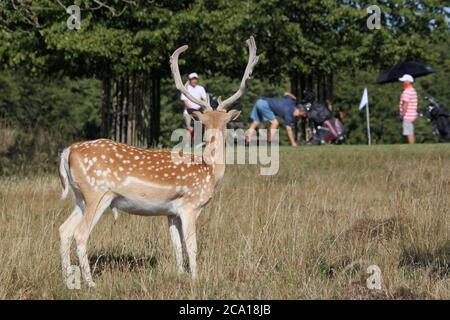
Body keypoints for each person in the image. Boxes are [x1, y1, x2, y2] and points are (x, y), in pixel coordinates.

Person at [180, 72, 207, 141]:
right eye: (192, 79)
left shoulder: (201, 88)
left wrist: (205, 107)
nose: (194, 80)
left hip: (198, 111)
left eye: (195, 79)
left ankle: (196, 144)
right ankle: (187, 145)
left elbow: (205, 99)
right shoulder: (186, 89)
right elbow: (184, 101)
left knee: (198, 128)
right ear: (189, 80)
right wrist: (191, 110)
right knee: (189, 128)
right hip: (188, 112)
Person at [399, 74, 418, 144]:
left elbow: (405, 104)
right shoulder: (413, 90)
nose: (402, 83)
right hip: (412, 114)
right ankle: (411, 145)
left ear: (407, 82)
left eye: (403, 82)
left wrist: (402, 114)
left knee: (409, 132)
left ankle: (411, 147)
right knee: (410, 131)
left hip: (407, 115)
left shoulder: (407, 92)